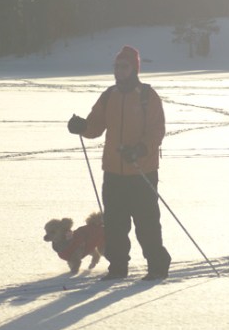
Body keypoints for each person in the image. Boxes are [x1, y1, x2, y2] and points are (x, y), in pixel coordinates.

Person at [67, 45, 172, 281]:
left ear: (134, 69)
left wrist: (140, 150)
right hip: (113, 171)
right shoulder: (109, 96)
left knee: (147, 224)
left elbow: (156, 131)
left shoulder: (147, 96)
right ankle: (117, 268)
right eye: (116, 66)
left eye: (124, 66)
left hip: (142, 171)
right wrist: (82, 126)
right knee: (114, 224)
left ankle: (158, 266)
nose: (119, 71)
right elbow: (95, 126)